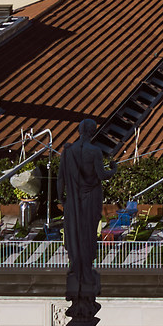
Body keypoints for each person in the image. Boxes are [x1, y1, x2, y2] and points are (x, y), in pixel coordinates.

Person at [58, 119, 109, 283]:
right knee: (87, 231)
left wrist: (61, 199)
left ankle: (75, 264)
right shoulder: (95, 151)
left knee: (74, 231)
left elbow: (61, 179)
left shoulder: (67, 151)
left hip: (72, 200)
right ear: (92, 132)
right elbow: (102, 175)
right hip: (89, 199)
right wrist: (113, 169)